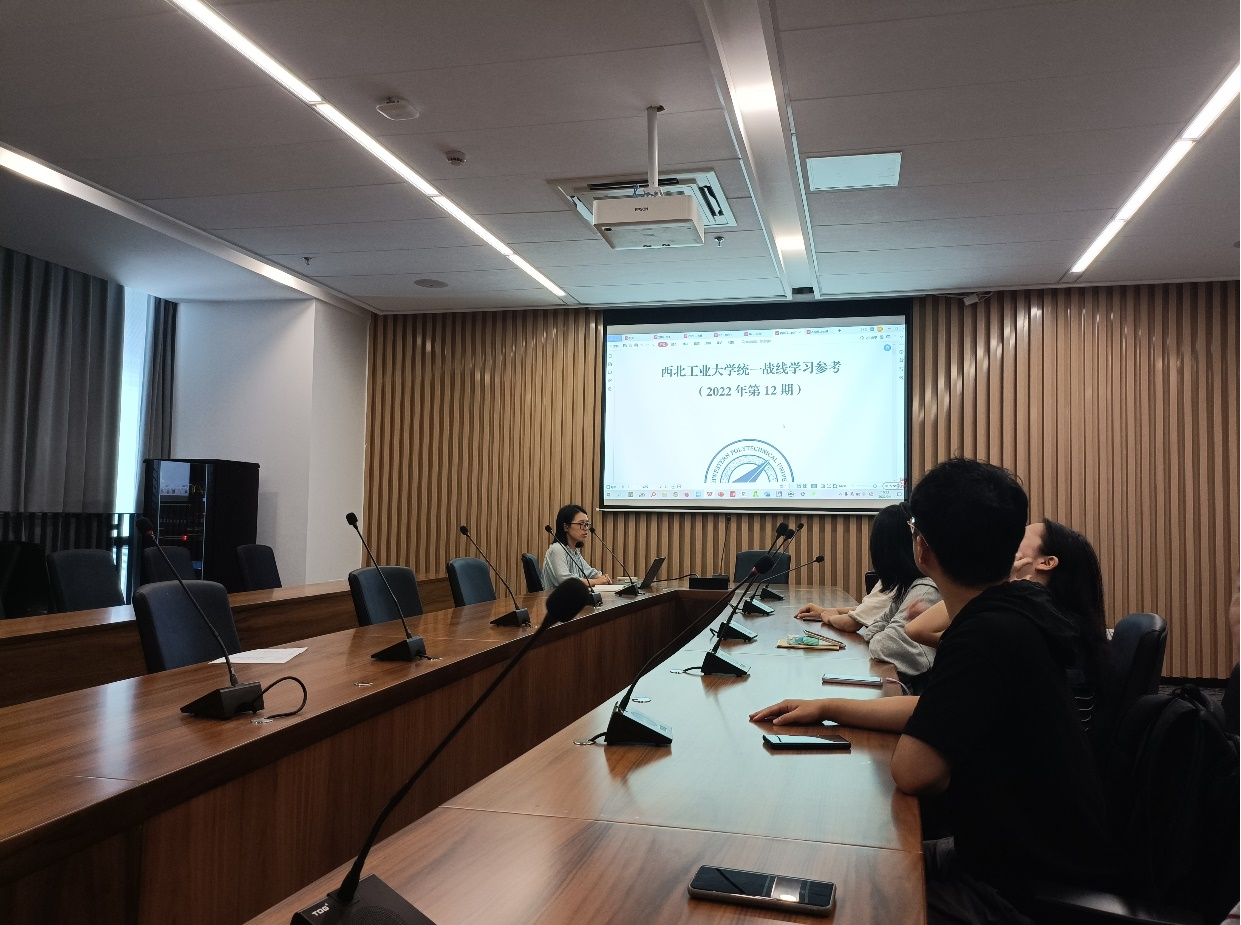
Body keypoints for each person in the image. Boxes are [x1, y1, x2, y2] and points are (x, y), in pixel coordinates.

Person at [751, 458, 1116, 924]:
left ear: (922, 548)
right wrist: (828, 706)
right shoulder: (1019, 608)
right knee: (845, 864)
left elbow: (914, 772)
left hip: (1019, 888)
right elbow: (935, 708)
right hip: (1030, 853)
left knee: (844, 893)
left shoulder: (988, 634)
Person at [907, 518, 1109, 730]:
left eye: (1018, 537)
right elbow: (917, 630)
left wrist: (996, 585)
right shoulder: (1026, 617)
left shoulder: (1043, 631)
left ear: (1047, 562)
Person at [798, 503, 939, 681]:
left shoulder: (924, 591)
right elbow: (874, 626)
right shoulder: (908, 587)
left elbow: (882, 645)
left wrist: (827, 614)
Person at [542, 504, 611, 590]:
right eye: (581, 524)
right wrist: (595, 581)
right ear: (566, 527)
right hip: (555, 597)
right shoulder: (557, 549)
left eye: (587, 524)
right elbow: (565, 580)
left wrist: (601, 577)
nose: (586, 528)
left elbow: (588, 572)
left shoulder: (574, 551)